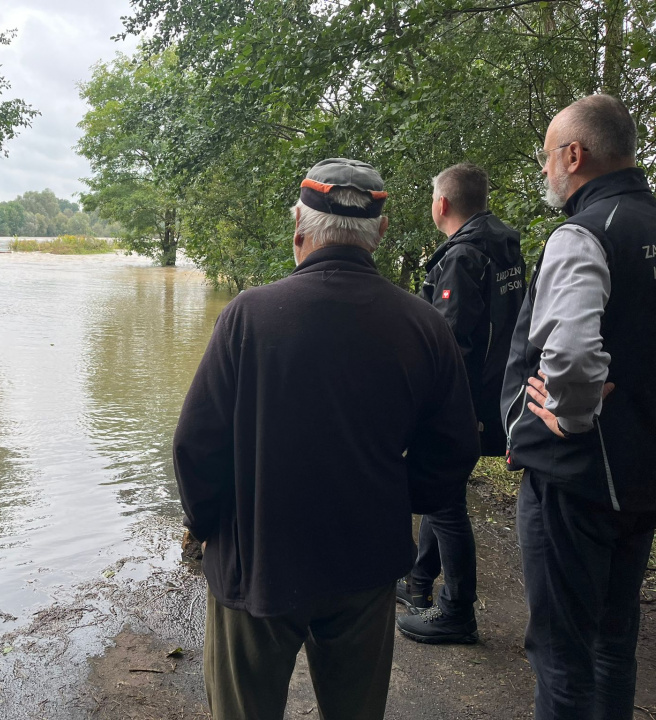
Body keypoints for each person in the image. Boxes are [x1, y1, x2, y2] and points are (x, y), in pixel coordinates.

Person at [173, 158, 481, 720]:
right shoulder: (422, 325)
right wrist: (394, 497)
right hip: (364, 566)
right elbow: (453, 451)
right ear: (380, 233)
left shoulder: (248, 317)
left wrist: (210, 526)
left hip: (256, 565)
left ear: (298, 229)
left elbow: (197, 446)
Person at [502, 94, 656, 719]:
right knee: (616, 644)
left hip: (576, 479)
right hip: (642, 476)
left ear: (574, 154)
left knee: (563, 654)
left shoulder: (585, 234)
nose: (545, 171)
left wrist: (573, 411)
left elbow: (566, 355)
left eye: (547, 157)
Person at [396, 163, 526, 644]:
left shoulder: (462, 256)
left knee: (446, 502)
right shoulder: (503, 245)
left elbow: (447, 341)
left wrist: (428, 405)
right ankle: (417, 584)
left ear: (442, 204)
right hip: (496, 393)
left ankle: (457, 612)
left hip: (462, 400)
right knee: (443, 492)